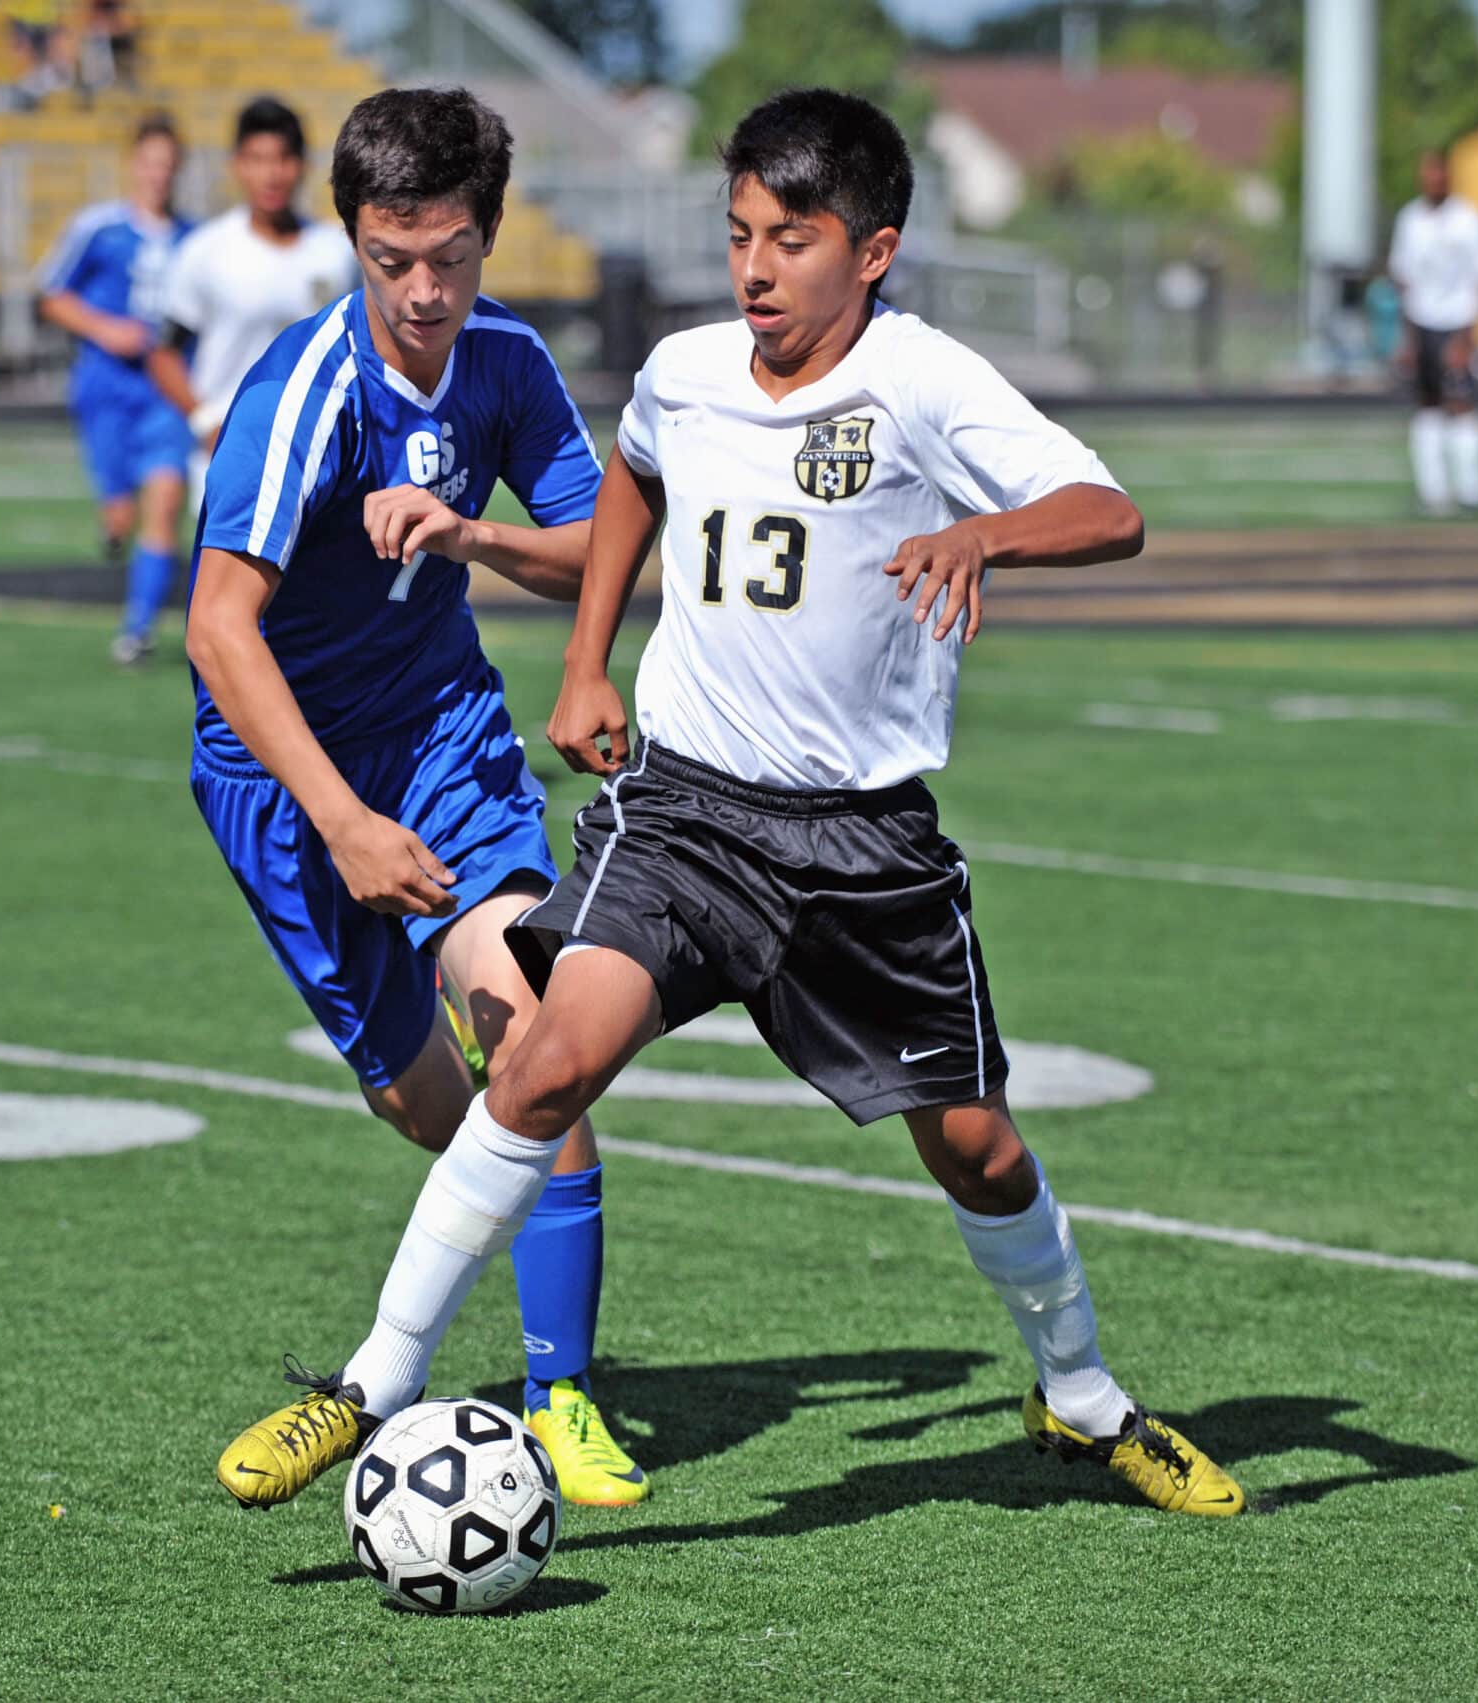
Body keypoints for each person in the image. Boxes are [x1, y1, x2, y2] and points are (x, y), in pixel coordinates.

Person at [217, 87, 1244, 1522]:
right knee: (543, 1059)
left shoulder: (927, 379)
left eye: (793, 240)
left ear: (872, 251)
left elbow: (1106, 508)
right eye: (740, 233)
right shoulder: (689, 368)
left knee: (977, 1145)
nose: (756, 268)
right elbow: (633, 479)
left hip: (864, 844)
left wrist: (982, 531)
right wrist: (585, 666)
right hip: (685, 813)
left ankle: (1082, 1398)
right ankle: (374, 1379)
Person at [190, 87, 648, 1510]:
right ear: (352, 240)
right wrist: (338, 818)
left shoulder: (505, 363)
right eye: (393, 261)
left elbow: (599, 545)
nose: (425, 291)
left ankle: (559, 1388)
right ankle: (434, 1323)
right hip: (285, 785)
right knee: (429, 1103)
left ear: (491, 234)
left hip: (444, 737)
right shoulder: (303, 392)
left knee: (534, 1008)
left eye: (451, 254)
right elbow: (219, 631)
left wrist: (471, 534)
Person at [146, 97, 357, 523]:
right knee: (231, 589)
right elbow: (163, 352)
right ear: (237, 165)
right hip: (232, 454)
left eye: (283, 159)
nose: (271, 173)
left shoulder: (337, 253)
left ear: (302, 165)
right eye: (257, 159)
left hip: (320, 454)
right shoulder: (205, 251)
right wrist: (206, 422)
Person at [36, 113, 196, 665]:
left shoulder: (194, 239)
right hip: (105, 390)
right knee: (121, 514)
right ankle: (113, 522)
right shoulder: (99, 228)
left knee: (167, 499)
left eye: (169, 166)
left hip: (166, 392)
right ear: (134, 166)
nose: (159, 175)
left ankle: (138, 630)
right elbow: (51, 293)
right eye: (151, 163)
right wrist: (106, 330)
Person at [1387, 149, 1478, 516]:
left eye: (1438, 172)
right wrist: (1408, 337)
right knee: (1428, 406)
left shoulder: (1469, 220)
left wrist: (1467, 337)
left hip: (1457, 322)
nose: (1433, 179)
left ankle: (1472, 490)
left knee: (1462, 405)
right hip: (1423, 323)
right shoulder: (1410, 220)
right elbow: (1403, 278)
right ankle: (1433, 493)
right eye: (1427, 172)